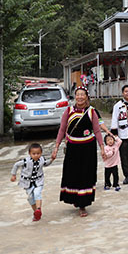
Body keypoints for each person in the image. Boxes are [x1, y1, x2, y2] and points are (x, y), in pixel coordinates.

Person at [52, 86, 107, 217]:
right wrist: (56, 147)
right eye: (78, 94)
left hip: (88, 149)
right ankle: (76, 199)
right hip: (73, 149)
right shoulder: (69, 111)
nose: (80, 97)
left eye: (83, 94)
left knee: (86, 175)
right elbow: (62, 130)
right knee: (73, 175)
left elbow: (97, 130)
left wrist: (102, 147)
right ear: (74, 96)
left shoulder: (91, 112)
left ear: (87, 97)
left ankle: (83, 205)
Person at [10, 143, 54, 222]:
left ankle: (38, 209)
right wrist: (13, 175)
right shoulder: (25, 161)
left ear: (41, 153)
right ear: (29, 154)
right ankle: (36, 213)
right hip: (27, 182)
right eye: (34, 154)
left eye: (38, 153)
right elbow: (16, 165)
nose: (36, 155)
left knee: (37, 193)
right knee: (30, 198)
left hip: (38, 181)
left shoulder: (42, 159)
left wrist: (51, 160)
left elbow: (46, 163)